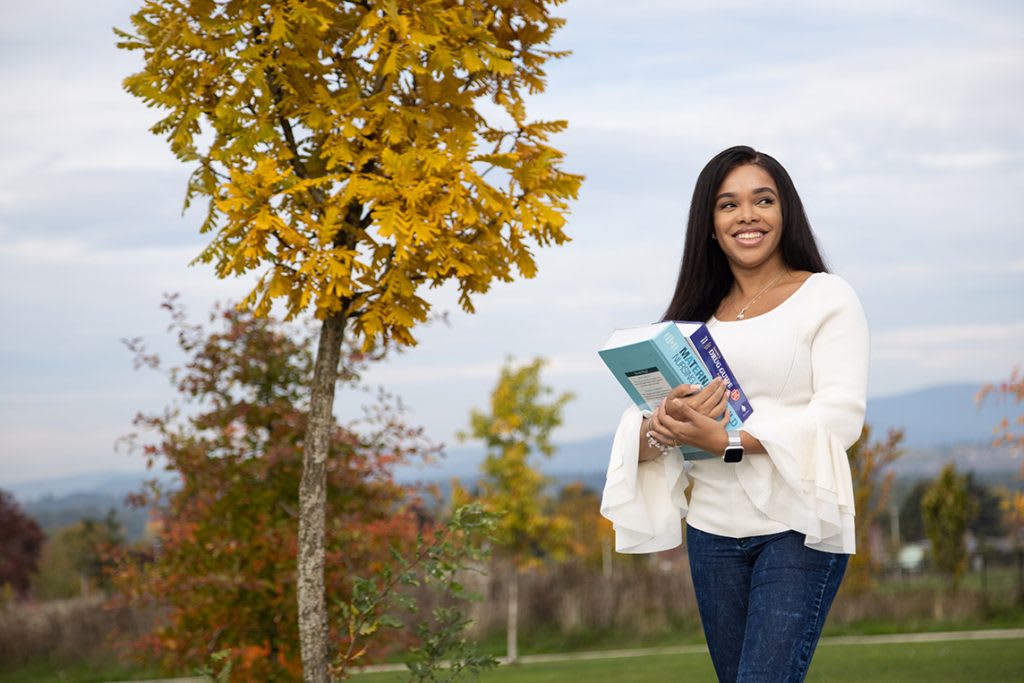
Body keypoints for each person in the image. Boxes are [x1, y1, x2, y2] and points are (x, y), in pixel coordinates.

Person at [600, 145, 869, 682]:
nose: (747, 215)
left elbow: (841, 417)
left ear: (784, 212)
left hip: (797, 525)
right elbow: (649, 431)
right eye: (728, 205)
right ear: (710, 225)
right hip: (712, 534)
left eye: (762, 200)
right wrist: (662, 425)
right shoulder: (691, 323)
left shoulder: (826, 297)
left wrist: (728, 439)